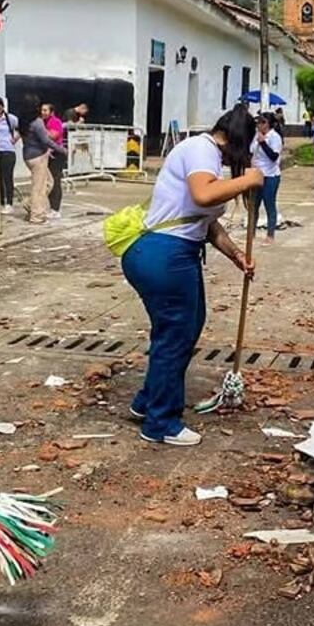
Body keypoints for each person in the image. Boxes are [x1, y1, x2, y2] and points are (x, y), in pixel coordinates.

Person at [122, 107, 261, 446]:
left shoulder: (206, 156)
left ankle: (148, 402)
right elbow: (204, 195)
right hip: (165, 254)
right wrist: (250, 179)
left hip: (170, 253)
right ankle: (161, 423)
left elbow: (205, 222)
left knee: (185, 326)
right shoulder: (202, 150)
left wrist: (236, 256)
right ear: (235, 141)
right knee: (176, 334)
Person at [20, 96, 65, 225]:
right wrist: (61, 150)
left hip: (28, 155)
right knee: (38, 188)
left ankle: (30, 204)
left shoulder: (22, 121)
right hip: (38, 157)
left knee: (49, 182)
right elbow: (46, 140)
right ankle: (37, 215)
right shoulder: (37, 122)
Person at [251, 112, 283, 242]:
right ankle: (251, 233)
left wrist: (263, 143)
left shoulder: (274, 137)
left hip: (270, 175)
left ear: (269, 124)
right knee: (254, 205)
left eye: (263, 122)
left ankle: (270, 235)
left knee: (269, 204)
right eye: (258, 122)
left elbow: (273, 156)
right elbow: (251, 151)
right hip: (256, 174)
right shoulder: (256, 136)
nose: (260, 125)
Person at [42, 103, 66, 219]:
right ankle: (51, 207)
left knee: (55, 181)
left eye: (45, 110)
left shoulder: (56, 122)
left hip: (56, 154)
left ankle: (56, 209)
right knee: (48, 181)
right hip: (47, 154)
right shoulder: (43, 122)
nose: (43, 112)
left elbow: (53, 136)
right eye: (42, 110)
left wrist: (41, 132)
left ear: (51, 112)